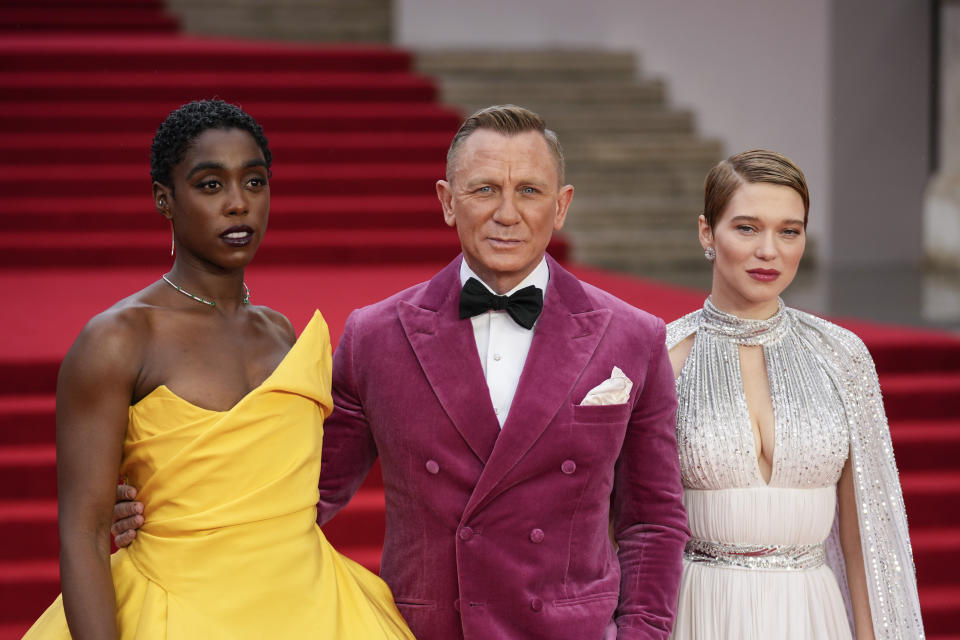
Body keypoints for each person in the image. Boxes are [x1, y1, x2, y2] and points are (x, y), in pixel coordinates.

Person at [113, 104, 690, 639]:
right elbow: (300, 488)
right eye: (484, 189)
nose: (507, 214)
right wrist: (164, 508)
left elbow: (653, 522)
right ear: (446, 200)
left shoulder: (632, 336)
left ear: (561, 205)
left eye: (529, 191)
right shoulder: (377, 335)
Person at [26, 100, 414, 639]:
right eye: (211, 185)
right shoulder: (117, 340)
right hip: (176, 614)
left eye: (254, 182)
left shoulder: (282, 333)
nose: (238, 205)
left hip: (316, 610)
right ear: (166, 199)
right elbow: (86, 532)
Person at [665, 150, 925, 639]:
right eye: (746, 228)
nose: (770, 251)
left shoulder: (841, 356)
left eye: (789, 230)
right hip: (698, 612)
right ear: (707, 234)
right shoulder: (662, 357)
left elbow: (862, 535)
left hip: (812, 614)